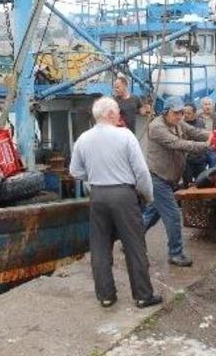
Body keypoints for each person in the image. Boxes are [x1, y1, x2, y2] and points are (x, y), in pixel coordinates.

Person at [69, 97, 163, 309]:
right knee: (134, 246)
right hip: (123, 195)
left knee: (100, 246)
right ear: (110, 114)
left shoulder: (83, 139)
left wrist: (93, 176)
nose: (120, 115)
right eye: (118, 112)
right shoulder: (125, 136)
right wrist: (148, 196)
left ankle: (106, 296)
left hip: (98, 195)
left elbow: (75, 171)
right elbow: (141, 172)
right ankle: (142, 296)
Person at [144, 96, 212, 267]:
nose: (180, 116)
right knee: (173, 216)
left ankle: (129, 241)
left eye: (181, 112)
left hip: (168, 178)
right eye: (176, 113)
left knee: (152, 215)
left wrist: (212, 135)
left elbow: (194, 132)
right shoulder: (156, 127)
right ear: (166, 112)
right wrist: (206, 145)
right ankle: (175, 253)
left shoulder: (178, 122)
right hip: (157, 178)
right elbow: (178, 143)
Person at [182, 103, 208, 186]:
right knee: (187, 183)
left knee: (201, 182)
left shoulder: (200, 123)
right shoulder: (180, 124)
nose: (185, 115)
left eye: (188, 113)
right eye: (184, 113)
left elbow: (203, 137)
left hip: (200, 158)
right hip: (187, 160)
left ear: (194, 114)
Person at [196, 97, 216, 168]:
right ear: (202, 106)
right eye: (205, 104)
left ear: (212, 106)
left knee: (213, 159)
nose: (207, 106)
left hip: (213, 147)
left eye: (209, 104)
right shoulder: (196, 118)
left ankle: (213, 178)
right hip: (200, 146)